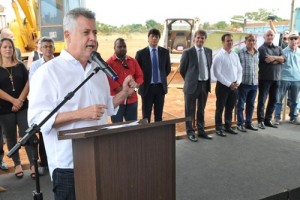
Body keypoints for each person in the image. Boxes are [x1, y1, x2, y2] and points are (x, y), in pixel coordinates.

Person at [28, 7, 137, 199]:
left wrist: (124, 94)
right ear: (68, 35)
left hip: (101, 159)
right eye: (86, 32)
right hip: (69, 167)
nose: (93, 38)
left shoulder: (98, 70)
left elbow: (106, 108)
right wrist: (81, 113)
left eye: (94, 32)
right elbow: (37, 121)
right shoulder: (47, 73)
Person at [0, 38, 35, 179]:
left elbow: (28, 83)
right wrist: (13, 100)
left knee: (28, 134)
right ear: (0, 49)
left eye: (10, 47)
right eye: (5, 47)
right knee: (10, 137)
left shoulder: (20, 65)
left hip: (23, 107)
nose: (8, 49)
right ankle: (17, 164)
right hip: (4, 109)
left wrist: (19, 100)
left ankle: (33, 164)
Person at [179, 30, 213, 142]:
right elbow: (182, 70)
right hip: (192, 85)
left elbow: (209, 66)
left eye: (202, 38)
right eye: (198, 37)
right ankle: (190, 132)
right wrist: (190, 80)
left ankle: (201, 130)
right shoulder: (187, 52)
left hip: (204, 85)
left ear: (205, 39)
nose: (200, 40)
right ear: (194, 39)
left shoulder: (208, 51)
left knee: (201, 109)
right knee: (189, 110)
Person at [29, 36, 55, 175]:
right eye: (45, 46)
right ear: (40, 49)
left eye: (50, 46)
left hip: (56, 103)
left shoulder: (59, 63)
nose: (48, 49)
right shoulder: (35, 65)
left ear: (54, 48)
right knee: (44, 131)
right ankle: (44, 162)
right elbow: (34, 84)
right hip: (43, 103)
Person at [135, 28, 171, 122]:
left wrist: (160, 78)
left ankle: (158, 135)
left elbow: (167, 69)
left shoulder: (165, 52)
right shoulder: (141, 54)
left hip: (160, 88)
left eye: (156, 37)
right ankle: (146, 135)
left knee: (159, 115)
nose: (154, 38)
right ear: (148, 38)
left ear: (159, 39)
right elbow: (137, 71)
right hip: (147, 88)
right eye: (152, 36)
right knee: (146, 115)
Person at [106, 38, 144, 122]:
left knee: (132, 126)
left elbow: (140, 76)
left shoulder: (133, 61)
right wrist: (125, 93)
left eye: (124, 46)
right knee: (117, 127)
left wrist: (135, 87)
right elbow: (111, 83)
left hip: (132, 100)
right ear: (114, 48)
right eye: (119, 46)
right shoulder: (109, 64)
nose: (122, 48)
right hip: (117, 102)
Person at [212, 33, 242, 137]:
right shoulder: (218, 56)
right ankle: (219, 128)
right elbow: (217, 73)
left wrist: (238, 82)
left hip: (235, 86)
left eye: (231, 41)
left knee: (230, 107)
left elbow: (239, 70)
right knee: (220, 108)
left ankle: (228, 126)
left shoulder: (235, 55)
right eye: (228, 41)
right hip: (223, 87)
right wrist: (229, 84)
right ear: (223, 42)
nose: (230, 43)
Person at [257, 29, 285, 129]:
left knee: (273, 100)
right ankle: (260, 121)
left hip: (276, 79)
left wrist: (275, 58)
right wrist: (278, 58)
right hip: (265, 79)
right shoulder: (261, 48)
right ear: (264, 37)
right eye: (268, 35)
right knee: (262, 100)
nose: (269, 37)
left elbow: (284, 59)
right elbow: (268, 60)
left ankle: (267, 120)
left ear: (273, 37)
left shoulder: (278, 48)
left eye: (271, 35)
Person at [274, 33, 300, 125]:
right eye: (291, 39)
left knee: (295, 100)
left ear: (298, 40)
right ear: (288, 40)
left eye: (295, 38)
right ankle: (277, 118)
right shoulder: (283, 51)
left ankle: (293, 117)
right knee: (279, 99)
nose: (293, 41)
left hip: (297, 79)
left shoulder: (299, 52)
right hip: (284, 78)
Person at [236, 34, 259, 132]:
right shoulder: (240, 53)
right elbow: (237, 68)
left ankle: (248, 123)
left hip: (254, 83)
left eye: (253, 40)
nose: (251, 42)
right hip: (243, 83)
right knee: (241, 105)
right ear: (245, 42)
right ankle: (240, 124)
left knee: (251, 104)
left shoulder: (257, 52)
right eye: (249, 40)